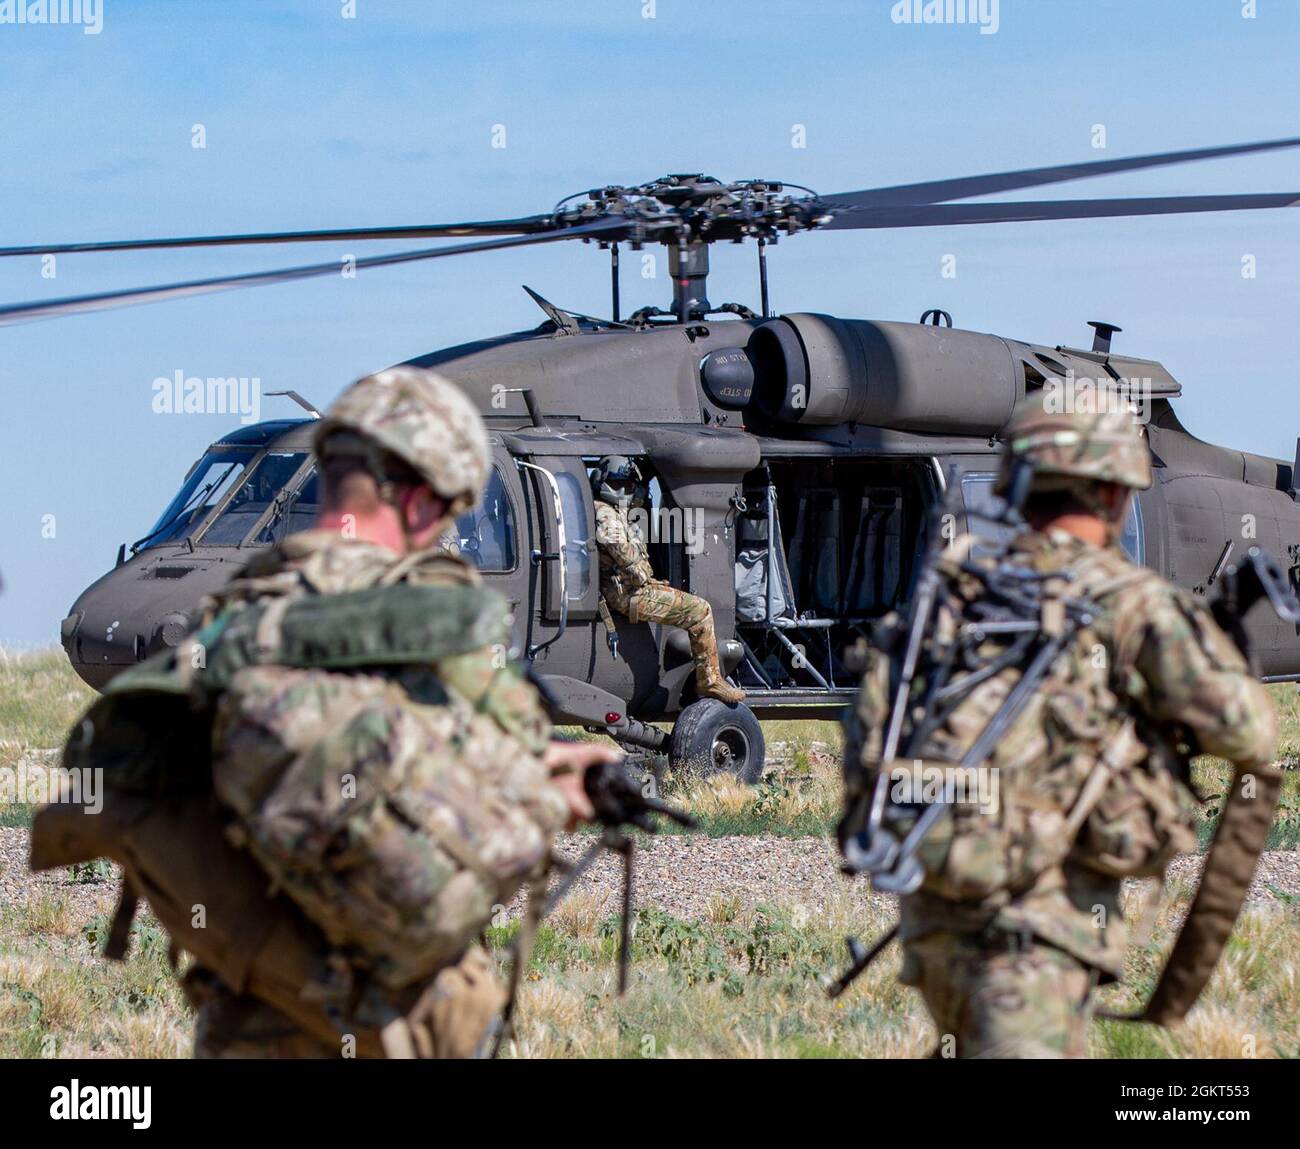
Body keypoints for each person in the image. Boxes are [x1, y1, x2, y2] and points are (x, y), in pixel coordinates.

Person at [58, 366, 616, 1059]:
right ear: (417, 498)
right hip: (402, 1020)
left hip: (243, 1020)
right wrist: (555, 791)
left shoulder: (231, 623)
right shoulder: (433, 623)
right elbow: (476, 851)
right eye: (447, 513)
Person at [841, 397, 1278, 1058]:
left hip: (930, 930)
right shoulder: (1129, 602)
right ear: (1112, 489)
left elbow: (866, 746)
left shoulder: (951, 597)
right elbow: (1250, 733)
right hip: (1036, 946)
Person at [591, 455, 744, 704]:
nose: (627, 492)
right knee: (700, 610)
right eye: (623, 486)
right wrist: (643, 571)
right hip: (630, 595)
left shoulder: (607, 511)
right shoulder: (606, 516)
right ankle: (710, 681)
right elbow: (629, 561)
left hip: (628, 590)